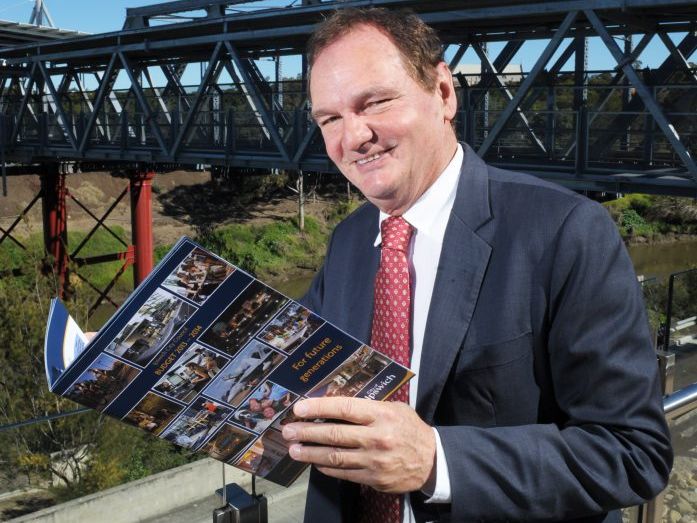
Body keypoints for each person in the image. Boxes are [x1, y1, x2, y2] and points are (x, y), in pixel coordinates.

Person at [280, 7, 673, 523]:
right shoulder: (349, 240)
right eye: (329, 119)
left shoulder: (566, 232)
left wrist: (436, 462)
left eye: (374, 102)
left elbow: (632, 453)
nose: (352, 138)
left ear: (443, 93)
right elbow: (295, 378)